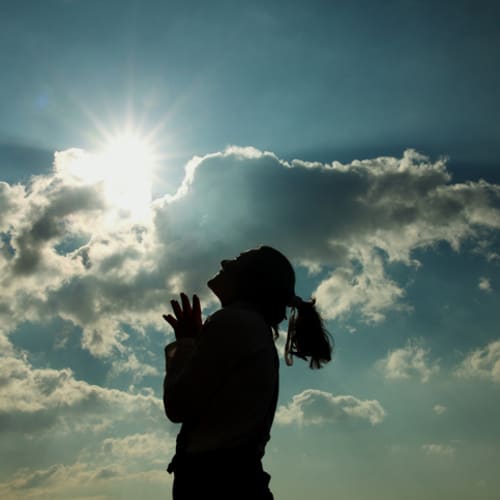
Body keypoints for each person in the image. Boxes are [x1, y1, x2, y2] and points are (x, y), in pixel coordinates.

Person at [162, 245, 333, 500]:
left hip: (217, 485)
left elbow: (178, 405)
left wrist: (186, 343)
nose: (224, 261)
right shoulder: (249, 326)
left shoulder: (233, 322)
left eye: (237, 260)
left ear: (252, 280)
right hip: (236, 480)